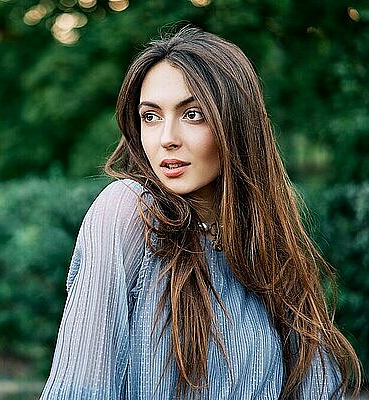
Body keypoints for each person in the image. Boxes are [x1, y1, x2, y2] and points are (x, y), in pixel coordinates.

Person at [40, 25, 361, 399]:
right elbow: (81, 385)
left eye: (192, 114)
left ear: (236, 125)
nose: (167, 138)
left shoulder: (268, 249)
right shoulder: (129, 212)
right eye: (151, 116)